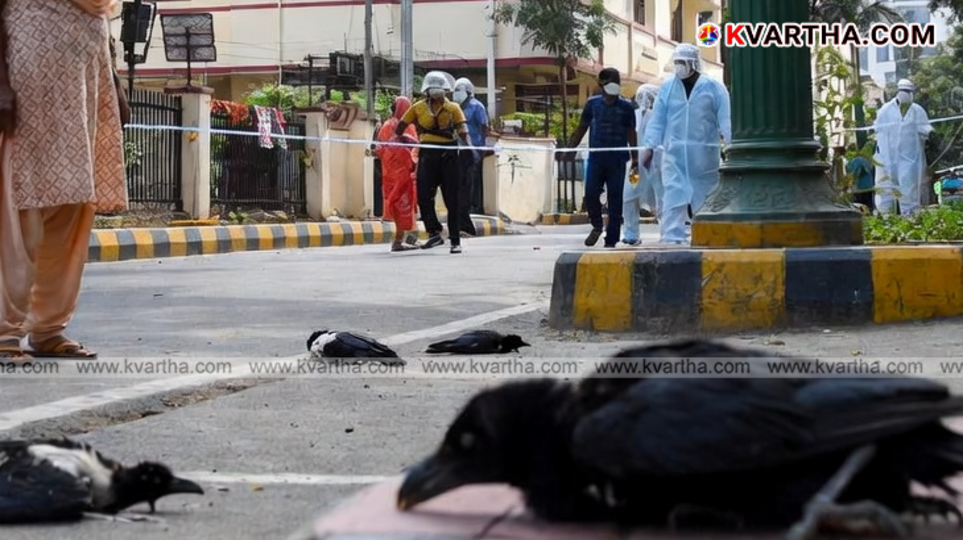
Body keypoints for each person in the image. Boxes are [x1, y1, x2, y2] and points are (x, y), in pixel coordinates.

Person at [0, 0, 128, 360]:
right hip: (28, 78)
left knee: (73, 204)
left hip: (85, 79)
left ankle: (48, 329)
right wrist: (1, 86)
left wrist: (114, 80)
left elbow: (101, 17)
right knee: (20, 203)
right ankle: (4, 332)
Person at [642, 42, 731, 245]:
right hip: (674, 155)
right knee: (673, 195)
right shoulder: (667, 87)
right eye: (677, 62)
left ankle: (708, 236)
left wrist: (730, 142)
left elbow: (726, 120)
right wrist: (649, 147)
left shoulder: (714, 88)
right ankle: (671, 238)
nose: (679, 66)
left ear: (694, 63)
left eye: (683, 62)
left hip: (704, 156)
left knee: (706, 197)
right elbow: (658, 120)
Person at [395, 71, 474, 254]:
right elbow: (401, 126)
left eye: (440, 91)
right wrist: (396, 139)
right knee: (424, 196)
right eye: (434, 91)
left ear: (445, 91)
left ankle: (455, 240)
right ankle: (434, 232)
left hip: (449, 156)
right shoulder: (417, 108)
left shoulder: (453, 108)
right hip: (428, 155)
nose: (437, 94)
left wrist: (470, 149)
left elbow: (463, 130)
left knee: (451, 199)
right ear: (427, 91)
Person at [567, 67, 637, 248]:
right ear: (602, 85)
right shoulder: (593, 104)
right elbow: (582, 127)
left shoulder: (626, 107)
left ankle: (611, 240)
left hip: (618, 161)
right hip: (597, 158)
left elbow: (631, 134)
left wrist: (635, 159)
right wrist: (570, 149)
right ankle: (597, 225)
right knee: (590, 193)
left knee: (615, 200)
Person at [873, 78, 933, 215]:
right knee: (885, 194)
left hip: (909, 160)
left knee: (909, 193)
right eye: (903, 91)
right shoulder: (885, 110)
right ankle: (885, 225)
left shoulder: (918, 111)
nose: (906, 94)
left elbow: (926, 132)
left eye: (908, 91)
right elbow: (877, 131)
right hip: (886, 158)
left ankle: (910, 224)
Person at [374, 96, 420, 252]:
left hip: (390, 172)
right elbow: (415, 149)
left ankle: (408, 237)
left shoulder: (386, 126)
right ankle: (399, 240)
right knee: (405, 204)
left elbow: (379, 150)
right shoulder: (408, 127)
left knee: (400, 204)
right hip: (404, 173)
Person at [622, 83, 662, 246]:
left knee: (662, 197)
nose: (643, 100)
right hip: (636, 164)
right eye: (641, 96)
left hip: (656, 164)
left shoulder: (659, 117)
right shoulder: (633, 116)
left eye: (647, 97)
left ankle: (668, 231)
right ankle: (631, 234)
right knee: (629, 196)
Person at [452, 77, 489, 237]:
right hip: (458, 150)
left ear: (468, 91)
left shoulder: (477, 107)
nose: (456, 94)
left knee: (470, 182)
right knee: (460, 185)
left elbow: (484, 127)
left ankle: (475, 206)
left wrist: (480, 148)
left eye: (459, 90)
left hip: (472, 150)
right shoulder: (456, 108)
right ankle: (464, 216)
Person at [845, 143, 875, 212]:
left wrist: (846, 187)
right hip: (869, 187)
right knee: (869, 208)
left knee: (860, 208)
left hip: (860, 189)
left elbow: (853, 174)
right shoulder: (866, 159)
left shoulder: (857, 160)